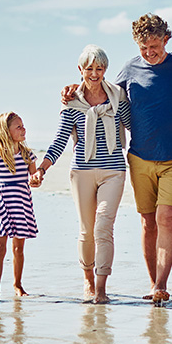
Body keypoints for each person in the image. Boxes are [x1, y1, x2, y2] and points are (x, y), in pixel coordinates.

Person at [65, 14, 172, 305]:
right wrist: (71, 92)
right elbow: (101, 94)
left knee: (167, 217)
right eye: (143, 47)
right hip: (140, 157)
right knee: (148, 221)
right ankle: (153, 283)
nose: (149, 53)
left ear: (166, 39)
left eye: (155, 46)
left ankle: (162, 284)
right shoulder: (129, 70)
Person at [33, 45, 131, 304]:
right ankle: (87, 282)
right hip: (82, 172)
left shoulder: (118, 97)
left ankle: (101, 288)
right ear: (80, 70)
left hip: (113, 171)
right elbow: (60, 141)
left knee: (103, 227)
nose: (95, 73)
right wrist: (41, 169)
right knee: (87, 230)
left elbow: (137, 126)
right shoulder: (72, 102)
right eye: (89, 68)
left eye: (99, 68)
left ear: (105, 70)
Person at [0, 112, 41, 304]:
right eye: (18, 127)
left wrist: (36, 180)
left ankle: (18, 285)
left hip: (22, 203)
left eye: (23, 125)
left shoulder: (28, 155)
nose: (24, 129)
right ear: (6, 132)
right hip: (2, 204)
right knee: (0, 248)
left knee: (18, 248)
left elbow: (34, 178)